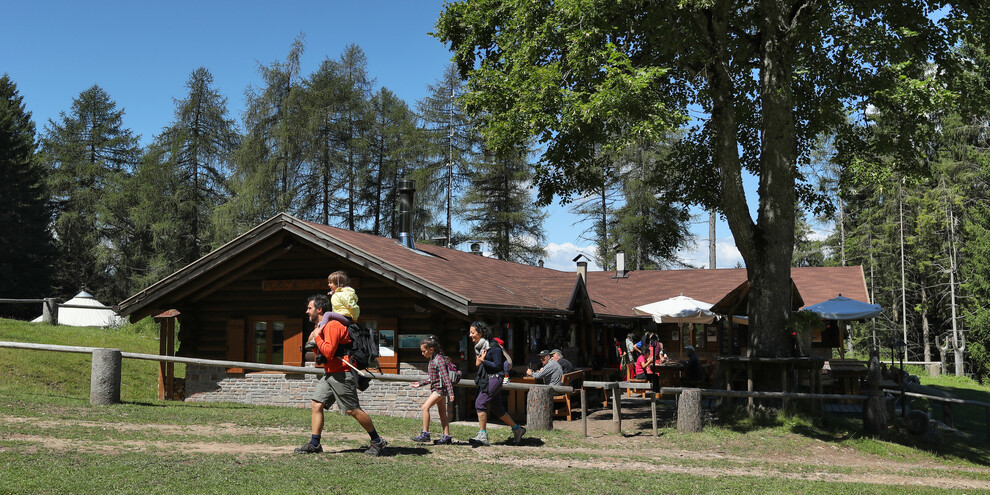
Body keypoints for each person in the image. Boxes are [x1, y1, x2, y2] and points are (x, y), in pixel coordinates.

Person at [295, 294, 387, 456]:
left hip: (342, 373)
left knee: (352, 410)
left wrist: (317, 337)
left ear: (319, 309)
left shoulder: (332, 326)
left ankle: (377, 441)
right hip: (330, 373)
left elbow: (329, 352)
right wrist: (315, 336)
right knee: (317, 404)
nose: (307, 312)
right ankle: (315, 444)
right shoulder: (322, 327)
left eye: (310, 308)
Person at [468, 321, 526, 446]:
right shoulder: (480, 347)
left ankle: (482, 435)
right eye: (470, 332)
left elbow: (498, 366)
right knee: (497, 409)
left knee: (480, 403)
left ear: (481, 332)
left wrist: (483, 362)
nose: (470, 335)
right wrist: (481, 362)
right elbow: (481, 364)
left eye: (472, 332)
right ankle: (518, 429)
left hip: (495, 378)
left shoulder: (493, 347)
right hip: (488, 379)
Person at [409, 337, 454, 445]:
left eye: (424, 351)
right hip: (439, 389)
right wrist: (419, 383)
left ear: (431, 349)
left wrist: (451, 393)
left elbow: (445, 377)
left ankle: (425, 434)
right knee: (442, 412)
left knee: (425, 407)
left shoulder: (439, 360)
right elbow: (432, 377)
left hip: (439, 390)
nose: (422, 353)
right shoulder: (433, 359)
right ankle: (447, 436)